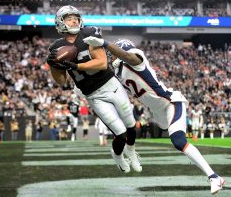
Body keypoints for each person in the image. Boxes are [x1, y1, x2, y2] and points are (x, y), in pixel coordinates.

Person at [83, 36, 225, 194]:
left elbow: (128, 56)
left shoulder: (136, 59)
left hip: (171, 102)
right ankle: (196, 160)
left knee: (178, 141)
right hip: (157, 112)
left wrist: (104, 43)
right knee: (175, 139)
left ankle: (214, 177)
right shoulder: (117, 73)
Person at [46, 5, 141, 173]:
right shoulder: (56, 47)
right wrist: (53, 66)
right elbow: (61, 81)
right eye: (69, 18)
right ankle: (118, 155)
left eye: (76, 17)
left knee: (131, 125)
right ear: (60, 22)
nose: (74, 20)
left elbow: (102, 63)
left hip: (111, 85)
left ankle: (132, 152)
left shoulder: (88, 33)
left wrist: (76, 65)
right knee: (120, 133)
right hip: (93, 95)